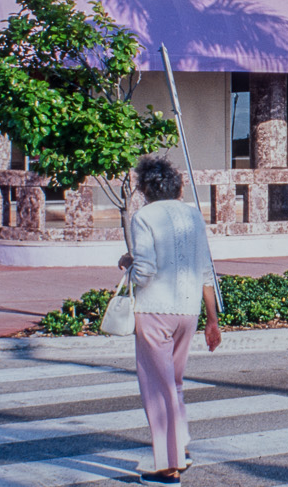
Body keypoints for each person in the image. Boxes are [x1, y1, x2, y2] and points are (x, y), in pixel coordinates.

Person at [119, 154, 220, 483]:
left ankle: (168, 467)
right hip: (188, 312)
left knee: (156, 388)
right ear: (176, 186)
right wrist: (212, 320)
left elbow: (145, 272)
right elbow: (206, 270)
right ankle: (182, 448)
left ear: (145, 188)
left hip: (154, 312)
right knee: (173, 385)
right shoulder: (193, 216)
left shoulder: (144, 216)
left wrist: (129, 265)